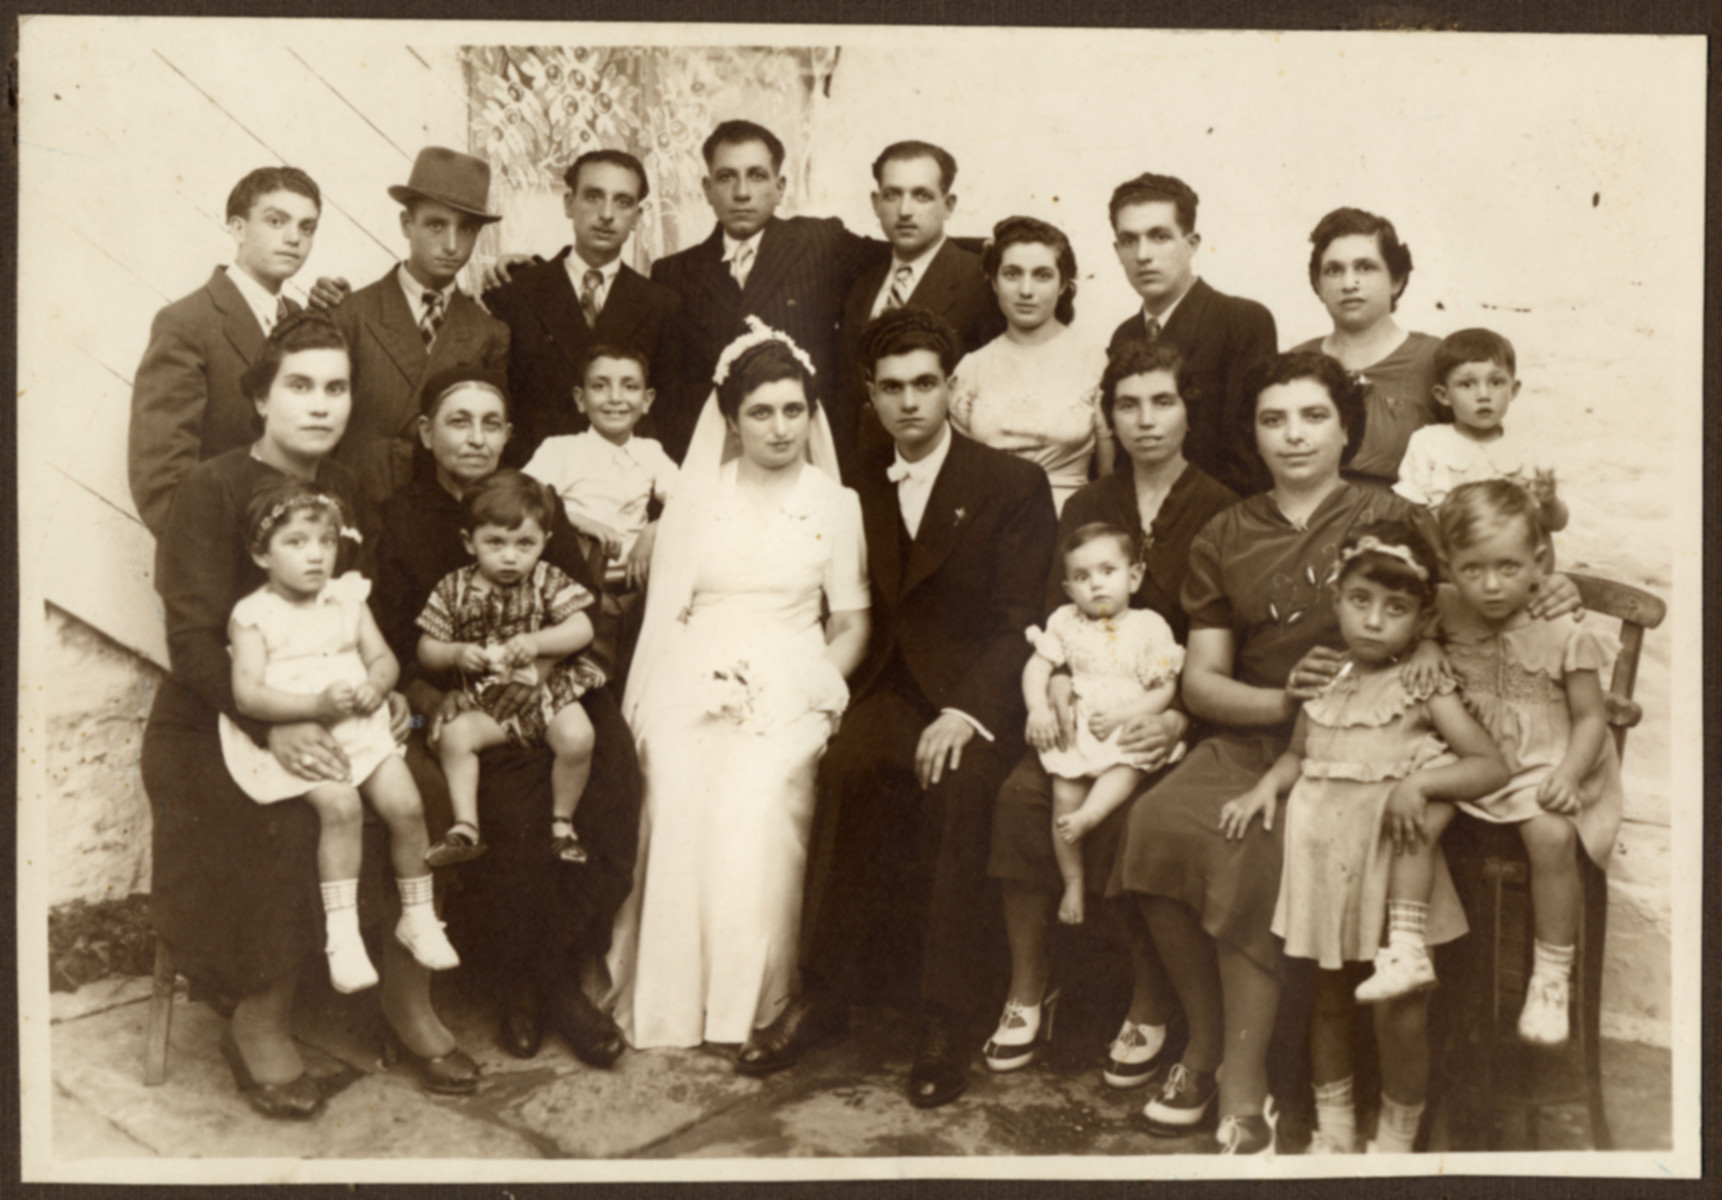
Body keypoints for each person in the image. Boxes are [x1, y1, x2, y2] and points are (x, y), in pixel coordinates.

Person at [1111, 351, 1581, 1155]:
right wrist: (1290, 699)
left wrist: (1553, 588)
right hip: (1270, 731)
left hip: (1377, 742)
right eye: (1272, 419)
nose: (1293, 435)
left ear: (1345, 429)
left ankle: (1246, 1082)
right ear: (1252, 435)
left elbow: (1491, 568)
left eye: (1313, 416)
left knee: (1255, 846)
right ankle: (1207, 1038)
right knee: (1152, 823)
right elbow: (1203, 682)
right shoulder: (1226, 529)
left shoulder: (1397, 514)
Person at [139, 313, 478, 1121]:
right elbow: (191, 642)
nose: (320, 405)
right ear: (260, 398)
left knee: (423, 792)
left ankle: (406, 995)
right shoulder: (210, 487)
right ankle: (259, 1016)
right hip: (215, 716)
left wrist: (382, 686)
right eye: (299, 386)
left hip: (332, 706)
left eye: (336, 387)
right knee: (290, 820)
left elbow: (357, 617)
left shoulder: (350, 488)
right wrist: (273, 723)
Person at [736, 306, 1057, 1111]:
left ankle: (945, 1019)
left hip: (975, 694)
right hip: (887, 684)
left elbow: (1024, 615)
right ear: (870, 398)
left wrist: (969, 712)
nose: (910, 402)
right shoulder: (856, 485)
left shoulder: (1011, 483)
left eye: (924, 385)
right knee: (845, 766)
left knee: (956, 786)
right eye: (891, 389)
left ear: (950, 388)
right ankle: (824, 995)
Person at [604, 319, 870, 1051]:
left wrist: (809, 682)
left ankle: (753, 1001)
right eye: (760, 411)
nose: (780, 428)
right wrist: (684, 686)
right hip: (696, 663)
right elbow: (671, 614)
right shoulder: (695, 499)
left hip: (795, 667)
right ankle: (671, 1000)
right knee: (680, 776)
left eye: (793, 410)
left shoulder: (832, 503)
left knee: (762, 786)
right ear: (730, 418)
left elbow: (850, 624)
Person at [983, 340, 1237, 1090]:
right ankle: (1030, 989)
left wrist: (1180, 720)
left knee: (1140, 815)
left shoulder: (1219, 508)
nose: (1146, 420)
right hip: (1086, 710)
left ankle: (1150, 1000)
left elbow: (1224, 646)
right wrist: (1055, 687)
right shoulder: (1091, 504)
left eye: (1163, 401)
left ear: (1189, 410)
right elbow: (1053, 620)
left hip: (1172, 718)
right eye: (1128, 404)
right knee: (1021, 797)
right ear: (1109, 416)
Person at [371, 365, 642, 1069]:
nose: (476, 437)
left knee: (613, 779)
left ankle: (556, 967)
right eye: (459, 421)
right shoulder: (400, 517)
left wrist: (540, 675)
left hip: (549, 685)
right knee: (514, 806)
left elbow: (579, 609)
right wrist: (437, 695)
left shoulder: (532, 500)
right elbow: (400, 640)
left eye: (491, 423)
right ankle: (530, 984)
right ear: (428, 433)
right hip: (461, 700)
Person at [1229, 520, 1508, 1155]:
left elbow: (1489, 765)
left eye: (1396, 608)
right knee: (1328, 1000)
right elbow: (1299, 754)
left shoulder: (1423, 685)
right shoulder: (1324, 676)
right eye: (1360, 601)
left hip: (1392, 871)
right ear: (1337, 599)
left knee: (1399, 1012)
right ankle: (1332, 1134)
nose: (1375, 621)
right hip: (1325, 867)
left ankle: (1395, 1143)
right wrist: (1264, 788)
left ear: (1422, 616)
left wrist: (1422, 786)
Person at [1371, 480, 1621, 1047]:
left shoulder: (1563, 629)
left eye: (1508, 568)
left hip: (1544, 764)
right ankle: (1407, 947)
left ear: (1537, 562)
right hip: (1469, 760)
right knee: (1419, 816)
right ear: (1449, 566)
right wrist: (1428, 646)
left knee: (1551, 836)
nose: (1490, 585)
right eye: (1472, 569)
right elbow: (1417, 633)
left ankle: (1551, 978)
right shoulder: (1446, 608)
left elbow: (1590, 718)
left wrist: (1569, 775)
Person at [221, 479, 460, 993]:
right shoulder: (254, 615)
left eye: (327, 541)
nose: (316, 556)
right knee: (342, 809)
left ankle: (417, 915)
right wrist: (313, 706)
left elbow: (382, 658)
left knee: (407, 805)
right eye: (297, 543)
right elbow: (247, 695)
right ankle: (342, 934)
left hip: (360, 726)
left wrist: (377, 685)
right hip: (296, 736)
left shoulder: (348, 597)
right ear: (261, 554)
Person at [649, 119, 886, 461]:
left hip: (807, 454)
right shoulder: (674, 273)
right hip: (717, 461)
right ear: (707, 188)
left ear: (780, 186)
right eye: (726, 177)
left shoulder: (818, 242)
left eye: (757, 176)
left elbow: (904, 252)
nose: (742, 192)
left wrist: (990, 252)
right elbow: (670, 392)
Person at [416, 470, 605, 867]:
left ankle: (562, 824)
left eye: (525, 544)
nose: (510, 556)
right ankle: (465, 827)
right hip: (486, 705)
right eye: (495, 543)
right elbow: (425, 647)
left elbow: (583, 626)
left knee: (578, 736)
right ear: (470, 542)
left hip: (549, 695)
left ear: (544, 544)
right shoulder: (453, 588)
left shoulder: (547, 580)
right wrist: (454, 654)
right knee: (453, 736)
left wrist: (538, 643)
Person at [129, 166, 322, 536]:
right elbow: (161, 480)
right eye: (276, 221)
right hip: (221, 564)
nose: (293, 238)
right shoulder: (187, 322)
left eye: (307, 227)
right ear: (237, 228)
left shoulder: (301, 321)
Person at [331, 147, 511, 510]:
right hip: (357, 507)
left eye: (466, 229)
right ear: (405, 224)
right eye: (435, 225)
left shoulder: (488, 332)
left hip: (441, 514)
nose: (451, 244)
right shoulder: (351, 314)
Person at [1023, 523, 1184, 930]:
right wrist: (1038, 709)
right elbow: (1036, 668)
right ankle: (1072, 882)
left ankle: (1092, 815)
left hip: (1126, 722)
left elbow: (1164, 689)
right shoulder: (1064, 622)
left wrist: (1125, 716)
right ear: (1068, 588)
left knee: (1127, 762)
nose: (1095, 585)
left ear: (1134, 576)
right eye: (1082, 577)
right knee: (1063, 792)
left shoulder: (1150, 626)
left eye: (1107, 572)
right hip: (1079, 727)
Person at [482, 149, 683, 467]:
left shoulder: (662, 305)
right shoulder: (517, 292)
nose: (606, 214)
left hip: (625, 485)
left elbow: (669, 415)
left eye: (623, 201)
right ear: (568, 203)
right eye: (593, 196)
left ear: (637, 217)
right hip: (534, 484)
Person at [836, 140, 1004, 471]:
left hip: (942, 471)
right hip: (861, 472)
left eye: (922, 195)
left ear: (949, 204)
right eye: (892, 194)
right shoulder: (862, 283)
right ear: (876, 202)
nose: (905, 210)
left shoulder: (979, 283)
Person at [1104, 172, 1276, 495]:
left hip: (1219, 524)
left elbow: (1250, 459)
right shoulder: (1124, 336)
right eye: (1129, 240)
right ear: (1117, 250)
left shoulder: (1242, 321)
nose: (1142, 255)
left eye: (1159, 236)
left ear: (1192, 243)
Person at [521, 344, 677, 677]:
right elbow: (523, 499)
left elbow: (692, 501)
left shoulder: (650, 452)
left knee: (637, 671)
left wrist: (654, 530)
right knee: (584, 671)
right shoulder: (561, 449)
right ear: (580, 398)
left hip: (637, 591)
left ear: (647, 400)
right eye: (600, 385)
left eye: (630, 386)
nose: (615, 398)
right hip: (576, 592)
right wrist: (579, 521)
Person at [952, 216, 1113, 512]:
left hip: (1070, 524)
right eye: (1012, 274)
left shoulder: (1094, 361)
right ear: (994, 281)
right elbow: (957, 475)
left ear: (1063, 284)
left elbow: (1110, 477)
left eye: (1042, 275)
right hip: (990, 525)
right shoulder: (971, 367)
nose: (1026, 290)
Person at [1291, 207, 1440, 490]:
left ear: (1396, 280)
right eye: (1334, 270)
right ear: (1318, 285)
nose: (1349, 284)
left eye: (1365, 267)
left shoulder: (1435, 360)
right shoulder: (1294, 363)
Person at [1393, 328, 1570, 530]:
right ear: (1444, 395)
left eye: (1496, 382)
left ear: (1513, 390)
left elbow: (1556, 524)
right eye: (1467, 384)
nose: (1483, 395)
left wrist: (1549, 502)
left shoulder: (1527, 447)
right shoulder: (1428, 442)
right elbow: (1410, 517)